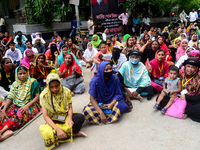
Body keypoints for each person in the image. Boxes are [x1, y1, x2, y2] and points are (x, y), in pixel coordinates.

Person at [39, 73, 86, 150]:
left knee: (80, 118)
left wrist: (70, 119)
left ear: (60, 84)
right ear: (48, 86)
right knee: (46, 132)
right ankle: (71, 134)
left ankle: (58, 137)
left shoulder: (66, 91)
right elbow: (46, 116)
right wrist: (57, 129)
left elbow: (70, 107)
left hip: (64, 116)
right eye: (51, 87)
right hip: (53, 119)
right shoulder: (44, 95)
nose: (54, 89)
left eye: (56, 86)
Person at [0, 66, 41, 141]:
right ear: (17, 74)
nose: (22, 75)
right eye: (20, 74)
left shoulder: (32, 82)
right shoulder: (15, 84)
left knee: (19, 114)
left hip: (31, 104)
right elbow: (10, 97)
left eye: (24, 73)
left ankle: (2, 132)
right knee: (2, 110)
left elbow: (37, 97)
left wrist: (26, 106)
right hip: (17, 103)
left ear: (27, 73)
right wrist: (3, 110)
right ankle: (6, 132)